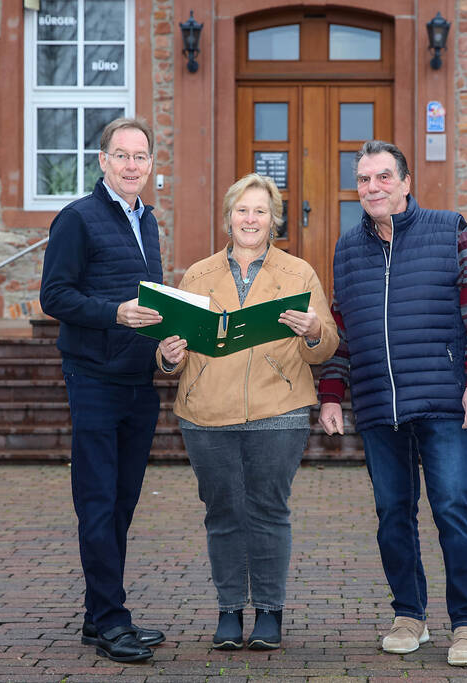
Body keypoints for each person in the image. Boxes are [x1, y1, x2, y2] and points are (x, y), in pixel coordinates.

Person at [317, 140, 467, 667]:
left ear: (405, 182)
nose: (372, 188)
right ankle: (409, 616)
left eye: (382, 178)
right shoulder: (347, 248)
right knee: (392, 514)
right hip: (378, 405)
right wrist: (333, 393)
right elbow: (342, 331)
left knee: (454, 509)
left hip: (445, 400)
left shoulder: (449, 230)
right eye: (364, 180)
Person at [157, 173, 338, 651]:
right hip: (206, 414)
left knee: (268, 511)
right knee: (222, 513)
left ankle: (270, 612)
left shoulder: (299, 274)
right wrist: (169, 355)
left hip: (278, 409)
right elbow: (172, 348)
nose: (250, 219)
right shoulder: (197, 274)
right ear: (228, 219)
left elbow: (326, 348)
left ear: (273, 220)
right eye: (242, 210)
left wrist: (315, 330)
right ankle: (229, 609)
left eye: (260, 211)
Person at [39, 117, 167, 664]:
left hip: (141, 379)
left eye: (141, 156)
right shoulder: (77, 219)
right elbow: (55, 296)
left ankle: (98, 615)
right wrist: (114, 313)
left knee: (122, 501)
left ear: (151, 164)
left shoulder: (150, 221)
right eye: (122, 155)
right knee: (97, 500)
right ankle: (113, 621)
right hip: (93, 377)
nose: (132, 164)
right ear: (102, 161)